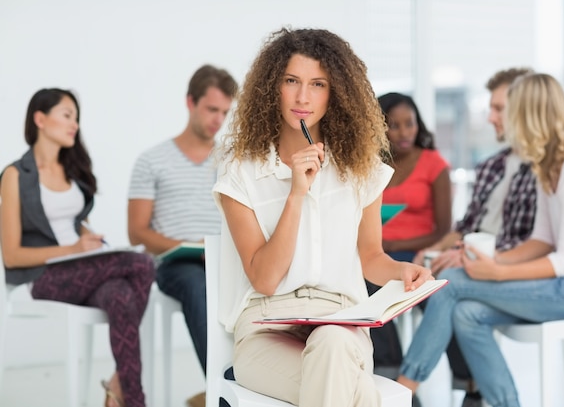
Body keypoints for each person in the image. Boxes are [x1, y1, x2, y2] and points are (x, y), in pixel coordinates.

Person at [211, 27, 433, 407]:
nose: (302, 97)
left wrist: (402, 272)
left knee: (331, 345)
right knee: (355, 391)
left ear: (337, 94)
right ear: (271, 87)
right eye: (291, 81)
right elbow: (264, 278)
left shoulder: (361, 170)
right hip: (266, 331)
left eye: (318, 84)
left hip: (341, 325)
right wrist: (296, 194)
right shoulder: (241, 172)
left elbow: (371, 258)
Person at [397, 73, 564, 407]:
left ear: (527, 118)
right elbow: (542, 239)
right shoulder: (549, 165)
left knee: (451, 283)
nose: (497, 120)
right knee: (467, 314)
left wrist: (497, 272)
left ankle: (402, 391)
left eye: (507, 113)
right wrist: (492, 262)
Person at [0, 88, 155, 407]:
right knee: (141, 263)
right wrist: (72, 249)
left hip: (79, 272)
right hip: (38, 279)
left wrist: (90, 242)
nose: (75, 124)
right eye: (67, 115)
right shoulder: (15, 175)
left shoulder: (73, 174)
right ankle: (135, 399)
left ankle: (117, 387)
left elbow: (73, 225)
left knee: (121, 295)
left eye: (77, 118)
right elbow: (11, 255)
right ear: (40, 119)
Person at [413, 67, 536, 407]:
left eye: (499, 109)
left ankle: (409, 386)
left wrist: (464, 256)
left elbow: (533, 242)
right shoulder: (492, 166)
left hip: (509, 270)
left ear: (525, 107)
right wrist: (431, 250)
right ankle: (469, 388)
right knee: (426, 280)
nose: (490, 116)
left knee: (451, 289)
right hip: (473, 258)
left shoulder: (542, 169)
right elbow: (466, 226)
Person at [127, 64, 238, 407]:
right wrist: (190, 247)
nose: (218, 119)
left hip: (224, 261)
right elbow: (137, 232)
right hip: (177, 265)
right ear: (190, 102)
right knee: (197, 285)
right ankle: (226, 393)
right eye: (211, 109)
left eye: (224, 112)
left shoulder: (232, 159)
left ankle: (243, 387)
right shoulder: (152, 160)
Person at [368, 92, 451, 380]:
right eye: (395, 125)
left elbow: (443, 230)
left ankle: (470, 385)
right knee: (364, 284)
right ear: (379, 127)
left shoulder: (433, 163)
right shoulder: (371, 164)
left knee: (446, 298)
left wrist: (393, 244)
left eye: (410, 123)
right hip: (375, 253)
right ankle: (389, 373)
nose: (404, 132)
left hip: (417, 252)